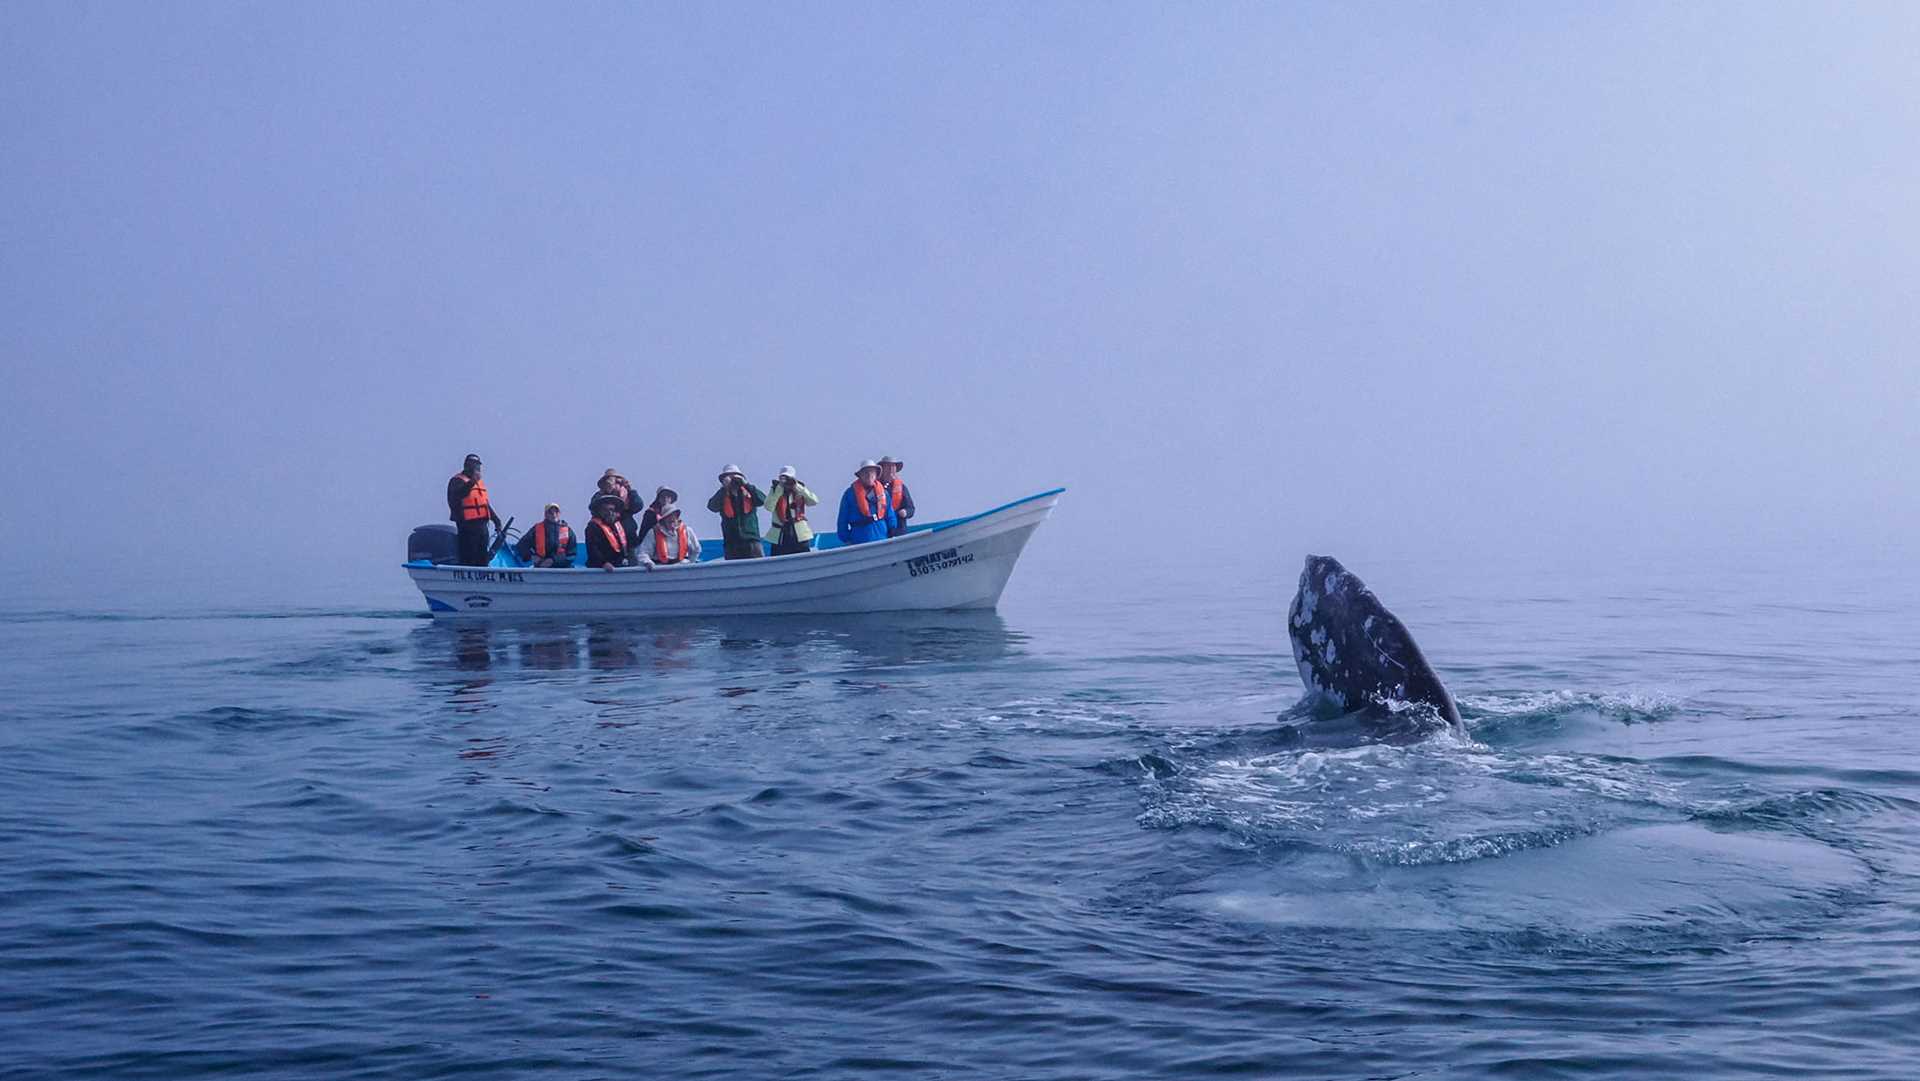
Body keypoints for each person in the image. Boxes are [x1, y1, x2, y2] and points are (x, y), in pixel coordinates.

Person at [447, 453, 502, 566]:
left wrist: (496, 520)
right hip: (467, 526)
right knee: (469, 555)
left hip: (482, 525)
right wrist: (471, 482)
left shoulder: (478, 483)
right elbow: (458, 495)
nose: (477, 469)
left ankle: (482, 576)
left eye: (478, 466)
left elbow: (484, 504)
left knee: (482, 556)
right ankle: (466, 577)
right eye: (474, 466)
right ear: (467, 466)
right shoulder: (457, 481)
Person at [706, 464, 767, 560]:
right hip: (731, 543)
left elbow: (763, 500)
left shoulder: (749, 492)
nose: (733, 480)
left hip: (751, 540)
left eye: (734, 476)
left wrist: (746, 484)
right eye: (729, 476)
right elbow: (712, 507)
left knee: (758, 567)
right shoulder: (722, 495)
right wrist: (724, 488)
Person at [766, 466, 819, 556]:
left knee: (803, 558)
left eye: (789, 478)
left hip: (799, 533)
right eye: (783, 478)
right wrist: (778, 490)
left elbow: (813, 501)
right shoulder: (775, 489)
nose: (786, 481)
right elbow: (768, 507)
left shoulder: (799, 489)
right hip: (780, 534)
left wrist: (797, 487)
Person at [836, 460, 891, 546]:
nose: (869, 475)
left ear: (876, 475)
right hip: (859, 539)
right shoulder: (849, 494)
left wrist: (893, 530)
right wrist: (846, 538)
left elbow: (889, 514)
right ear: (860, 475)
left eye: (872, 472)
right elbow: (842, 519)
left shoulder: (884, 493)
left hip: (881, 537)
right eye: (866, 472)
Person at [514, 502, 576, 568]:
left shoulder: (568, 531)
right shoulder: (536, 529)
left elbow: (572, 554)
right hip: (541, 569)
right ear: (545, 514)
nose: (554, 515)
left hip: (563, 569)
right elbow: (521, 546)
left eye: (556, 512)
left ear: (559, 514)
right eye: (550, 513)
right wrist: (532, 556)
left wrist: (553, 560)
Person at [585, 493, 635, 571]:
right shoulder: (593, 527)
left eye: (612, 510)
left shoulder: (620, 525)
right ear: (599, 511)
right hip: (600, 568)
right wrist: (603, 563)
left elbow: (630, 544)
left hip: (620, 566)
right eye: (605, 510)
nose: (609, 513)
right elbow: (593, 549)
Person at [878, 455, 915, 538]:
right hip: (882, 531)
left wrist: (905, 512)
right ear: (882, 469)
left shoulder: (901, 487)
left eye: (893, 467)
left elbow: (911, 509)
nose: (890, 470)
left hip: (899, 530)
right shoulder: (875, 487)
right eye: (887, 466)